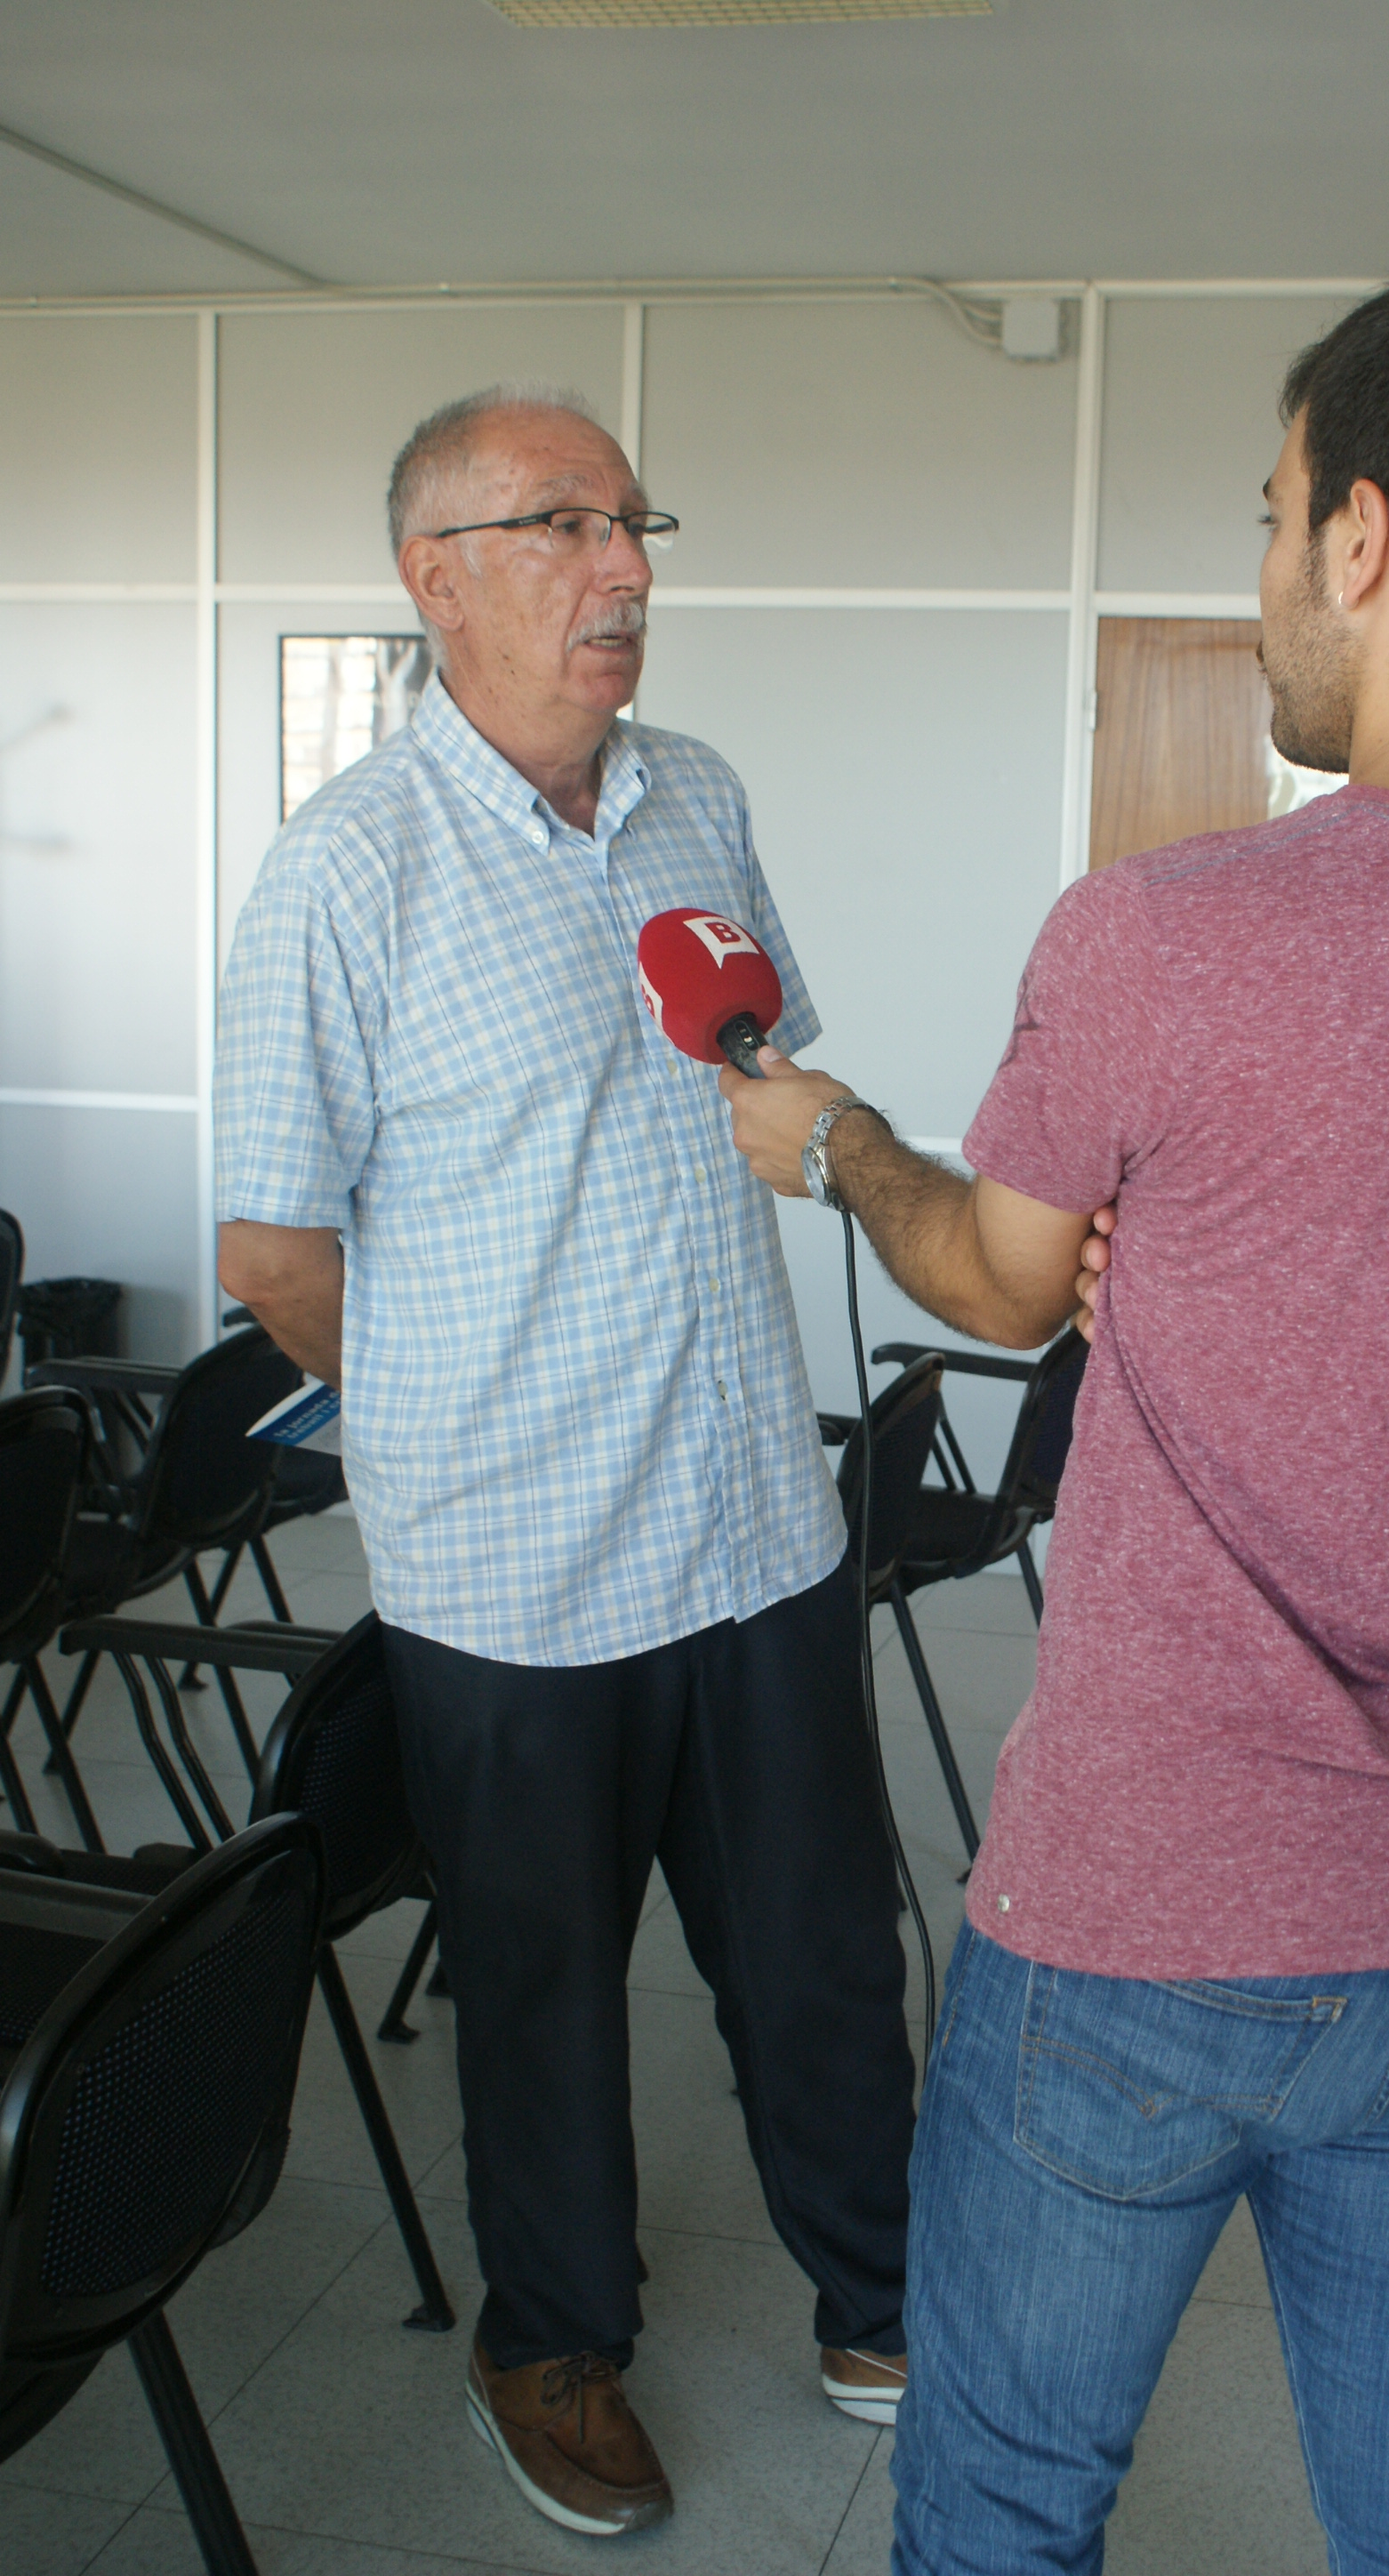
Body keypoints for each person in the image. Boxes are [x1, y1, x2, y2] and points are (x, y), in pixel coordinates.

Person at [718, 267, 1389, 2573]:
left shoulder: (1161, 931)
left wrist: (841, 1146)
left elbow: (998, 1277)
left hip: (1138, 1913)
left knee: (1002, 2502)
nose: (1265, 565)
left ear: (1364, 538)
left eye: (1271, 514)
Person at [213, 384, 916, 2542]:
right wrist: (451, 1425)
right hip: (512, 1571)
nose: (623, 569)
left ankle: (884, 2289)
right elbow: (271, 1248)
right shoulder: (344, 868)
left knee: (818, 1948)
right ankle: (547, 2343)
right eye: (564, 525)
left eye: (632, 526)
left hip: (751, 1519)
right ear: (435, 579)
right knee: (537, 1991)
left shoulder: (697, 793)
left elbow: (753, 1071)